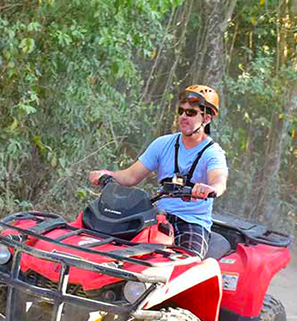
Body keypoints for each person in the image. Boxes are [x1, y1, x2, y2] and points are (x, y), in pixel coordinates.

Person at [88, 85, 228, 258]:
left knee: (187, 264)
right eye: (181, 111)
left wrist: (211, 188)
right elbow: (131, 176)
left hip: (191, 222)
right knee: (117, 248)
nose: (183, 117)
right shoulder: (162, 144)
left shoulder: (213, 153)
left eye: (191, 113)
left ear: (206, 118)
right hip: (157, 216)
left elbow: (219, 180)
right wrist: (107, 174)